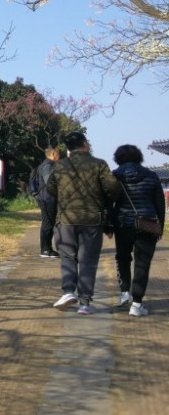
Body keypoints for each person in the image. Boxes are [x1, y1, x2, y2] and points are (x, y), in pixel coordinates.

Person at [48, 131, 121, 315]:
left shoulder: (60, 166)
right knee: (88, 261)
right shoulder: (99, 164)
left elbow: (50, 189)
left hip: (66, 219)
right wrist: (106, 199)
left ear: (68, 148)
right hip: (92, 221)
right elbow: (112, 188)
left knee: (68, 256)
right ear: (85, 144)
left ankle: (67, 292)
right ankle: (85, 303)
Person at [108, 144, 166, 317]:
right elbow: (159, 204)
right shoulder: (152, 175)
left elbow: (108, 202)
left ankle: (124, 293)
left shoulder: (115, 176)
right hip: (147, 224)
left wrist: (109, 225)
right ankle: (137, 304)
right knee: (142, 264)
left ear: (118, 158)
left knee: (123, 258)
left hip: (123, 224)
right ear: (139, 157)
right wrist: (160, 227)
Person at [31, 147, 61, 258]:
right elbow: (50, 182)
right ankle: (45, 249)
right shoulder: (48, 165)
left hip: (46, 198)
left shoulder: (45, 165)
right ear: (53, 154)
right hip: (47, 198)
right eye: (58, 154)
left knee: (49, 223)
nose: (60, 156)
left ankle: (47, 249)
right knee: (47, 224)